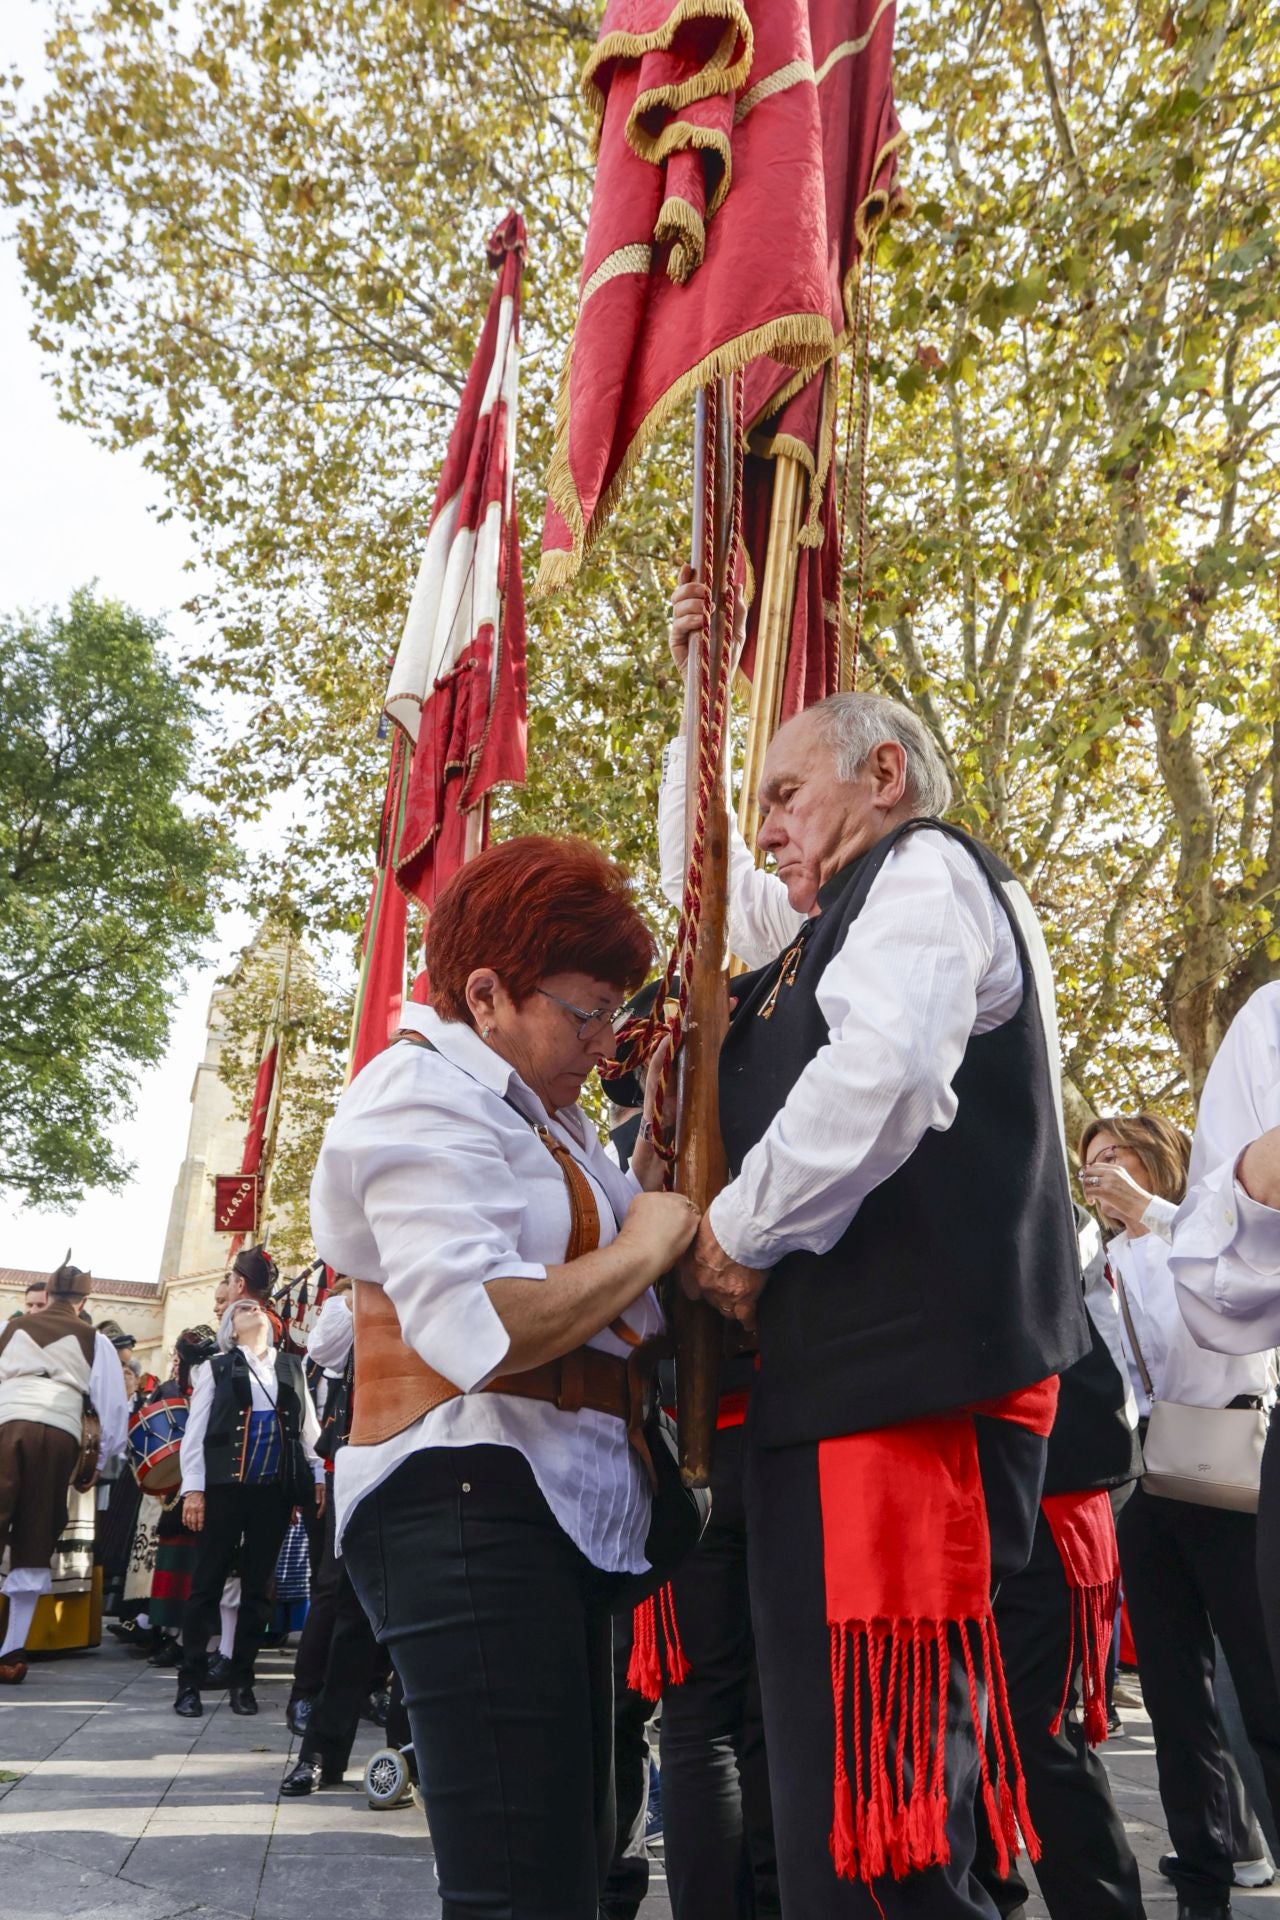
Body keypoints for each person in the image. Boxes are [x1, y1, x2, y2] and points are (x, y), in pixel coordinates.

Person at [657, 572, 1090, 1916]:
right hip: (844, 1400)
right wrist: (699, 706)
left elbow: (891, 1069)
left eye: (785, 793)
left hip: (905, 1411)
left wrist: (735, 1233)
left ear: (885, 773)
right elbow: (713, 899)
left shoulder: (925, 872)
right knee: (831, 1803)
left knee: (882, 1823)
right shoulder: (828, 919)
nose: (764, 825)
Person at [310, 835, 699, 1917]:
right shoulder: (418, 1097)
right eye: (584, 1013)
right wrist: (643, 1244)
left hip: (556, 1508)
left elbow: (647, 1297)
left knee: (579, 1868)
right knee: (520, 1891)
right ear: (485, 993)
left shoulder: (552, 1118)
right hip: (462, 1506)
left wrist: (655, 1196)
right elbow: (477, 1323)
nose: (602, 1041)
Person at [1082, 1111, 1280, 1920]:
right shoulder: (1106, 1267)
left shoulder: (1204, 1227)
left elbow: (1233, 1316)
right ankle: (1206, 1869)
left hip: (1236, 1471)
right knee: (1171, 1692)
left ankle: (1260, 1844)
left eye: (1115, 1155)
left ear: (1156, 1160)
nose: (1100, 1171)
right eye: (1089, 1162)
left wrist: (1152, 1215)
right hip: (1154, 1476)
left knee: (1260, 1687)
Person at [972, 1204, 1146, 1920]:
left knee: (1034, 1736)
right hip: (994, 1494)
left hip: (1047, 1497)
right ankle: (995, 1896)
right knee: (975, 1735)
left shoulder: (1041, 1205)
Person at [174, 1296, 324, 1719]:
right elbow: (196, 1433)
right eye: (241, 1309)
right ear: (231, 1327)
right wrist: (194, 1490)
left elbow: (308, 1430)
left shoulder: (292, 1367)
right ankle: (190, 1683)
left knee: (259, 1590)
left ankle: (243, 1680)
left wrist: (316, 1476)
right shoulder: (215, 1367)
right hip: (221, 1490)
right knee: (206, 1584)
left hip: (272, 1492)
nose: (251, 1310)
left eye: (257, 1307)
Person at [0, 1261, 130, 1682]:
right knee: (38, 1528)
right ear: (84, 1301)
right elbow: (112, 1406)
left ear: (49, 1295)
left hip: (5, 1424)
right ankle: (12, 1651)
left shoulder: (11, 1328)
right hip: (58, 1433)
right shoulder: (96, 1341)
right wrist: (101, 1459)